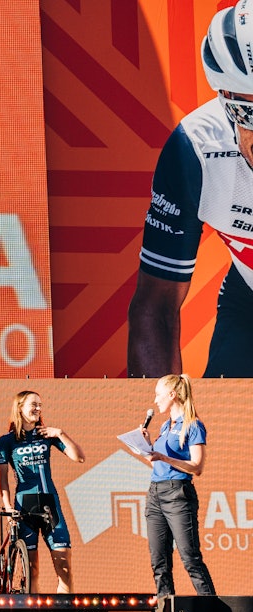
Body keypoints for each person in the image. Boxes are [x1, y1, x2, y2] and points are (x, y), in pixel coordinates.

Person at [128, 0, 253, 378]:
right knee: (224, 427)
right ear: (227, 102)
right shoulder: (195, 150)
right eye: (252, 114)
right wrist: (163, 424)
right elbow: (156, 305)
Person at [125, 375, 215, 598]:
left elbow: (197, 466)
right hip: (155, 493)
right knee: (159, 561)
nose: (155, 400)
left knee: (190, 557)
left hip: (178, 494)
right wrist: (144, 444)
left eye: (158, 394)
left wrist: (164, 458)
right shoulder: (166, 425)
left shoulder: (193, 424)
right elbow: (155, 459)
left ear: (172, 395)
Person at [0, 391, 84, 593]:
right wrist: (9, 508)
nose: (38, 409)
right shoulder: (6, 441)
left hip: (49, 504)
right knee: (32, 569)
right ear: (20, 408)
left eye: (40, 405)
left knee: (64, 567)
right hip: (24, 507)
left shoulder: (47, 434)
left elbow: (79, 457)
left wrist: (60, 433)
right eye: (33, 405)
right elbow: (3, 480)